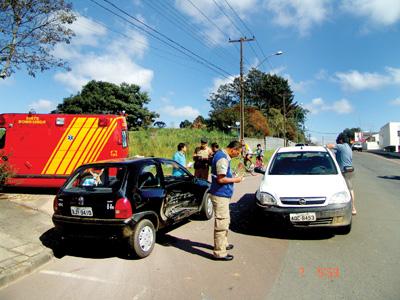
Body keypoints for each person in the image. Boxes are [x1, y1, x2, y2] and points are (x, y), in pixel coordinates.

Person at [210, 140, 243, 261]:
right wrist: (236, 180)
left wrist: (235, 172)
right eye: (238, 152)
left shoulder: (223, 157)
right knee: (221, 222)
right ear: (233, 149)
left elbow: (225, 174)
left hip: (223, 194)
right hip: (220, 195)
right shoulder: (222, 158)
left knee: (225, 220)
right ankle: (219, 252)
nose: (238, 155)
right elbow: (221, 179)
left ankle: (223, 244)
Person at [327, 137, 356, 215]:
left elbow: (328, 146)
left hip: (344, 171)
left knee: (346, 189)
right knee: (350, 189)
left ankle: (352, 208)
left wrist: (327, 148)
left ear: (341, 141)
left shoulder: (341, 146)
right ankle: (351, 207)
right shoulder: (349, 147)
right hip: (349, 170)